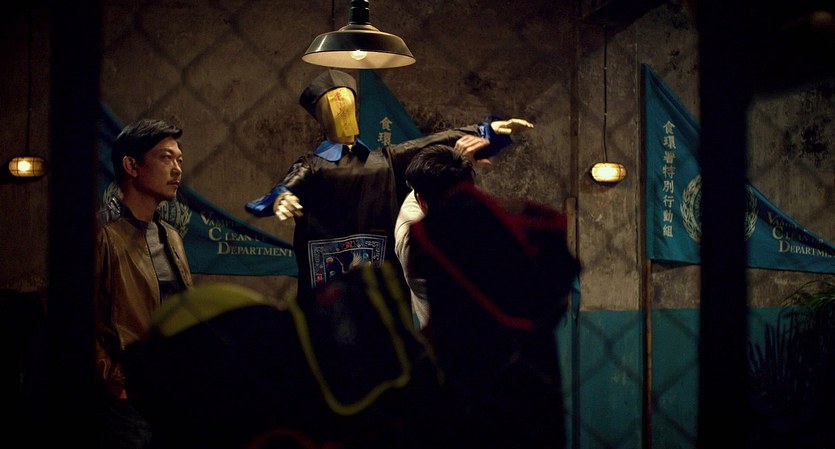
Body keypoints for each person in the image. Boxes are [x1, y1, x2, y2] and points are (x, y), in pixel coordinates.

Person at [246, 69, 533, 302]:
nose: (340, 112)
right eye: (331, 107)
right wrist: (281, 197)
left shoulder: (386, 161)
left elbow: (433, 143)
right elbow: (288, 184)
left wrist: (488, 132)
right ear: (320, 118)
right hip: (326, 287)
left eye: (345, 104)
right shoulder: (311, 166)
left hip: (380, 289)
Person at [93, 118, 193, 448]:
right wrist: (110, 376)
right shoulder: (102, 233)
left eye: (179, 159)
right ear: (131, 166)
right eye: (166, 158)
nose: (177, 169)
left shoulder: (171, 237)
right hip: (126, 400)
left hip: (172, 390)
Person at [394, 141, 491, 329]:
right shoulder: (490, 235)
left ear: (422, 201)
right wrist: (459, 169)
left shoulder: (412, 246)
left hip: (444, 344)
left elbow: (416, 198)